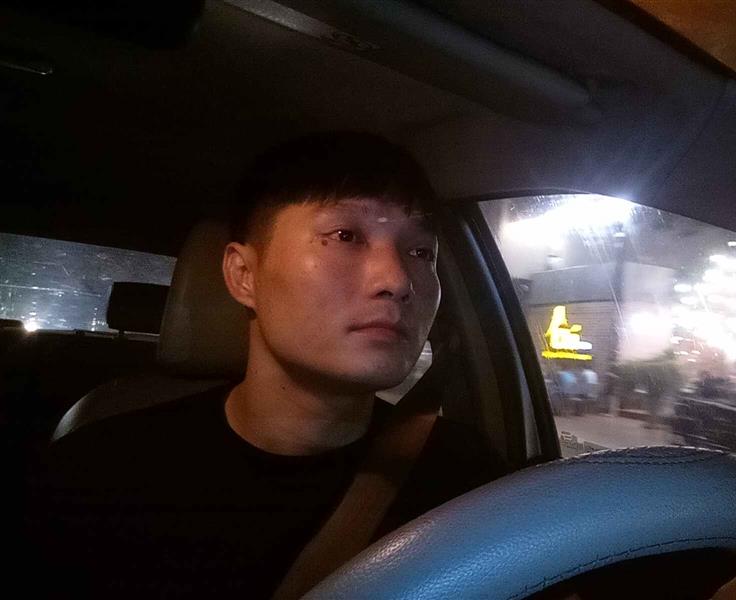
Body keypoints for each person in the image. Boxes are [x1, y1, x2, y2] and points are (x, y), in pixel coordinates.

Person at [19, 132, 505, 599]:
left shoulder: (467, 482)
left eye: (421, 252)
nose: (398, 281)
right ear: (243, 275)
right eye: (345, 235)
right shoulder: (93, 479)